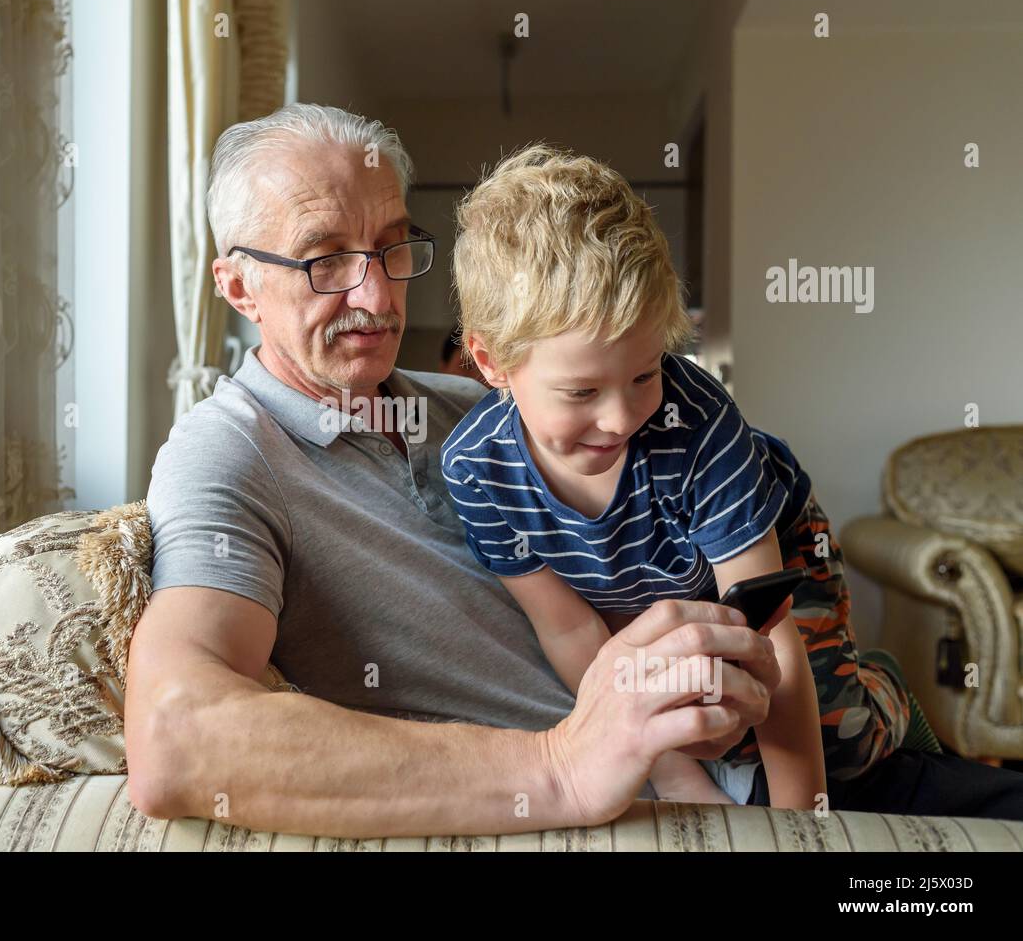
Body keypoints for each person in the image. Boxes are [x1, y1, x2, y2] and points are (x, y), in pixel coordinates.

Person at [124, 103, 1023, 837]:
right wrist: (561, 767)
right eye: (325, 259)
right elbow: (176, 737)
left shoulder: (487, 407)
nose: (376, 294)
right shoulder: (229, 451)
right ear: (237, 286)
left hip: (775, 743)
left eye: (394, 248)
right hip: (644, 792)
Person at [442, 143, 899, 810]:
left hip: (769, 552)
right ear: (491, 362)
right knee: (701, 713)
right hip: (643, 581)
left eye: (644, 374)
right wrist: (674, 774)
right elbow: (571, 631)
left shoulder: (705, 429)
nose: (621, 417)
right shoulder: (476, 472)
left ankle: (882, 686)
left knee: (836, 738)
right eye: (580, 393)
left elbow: (768, 630)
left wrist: (802, 826)